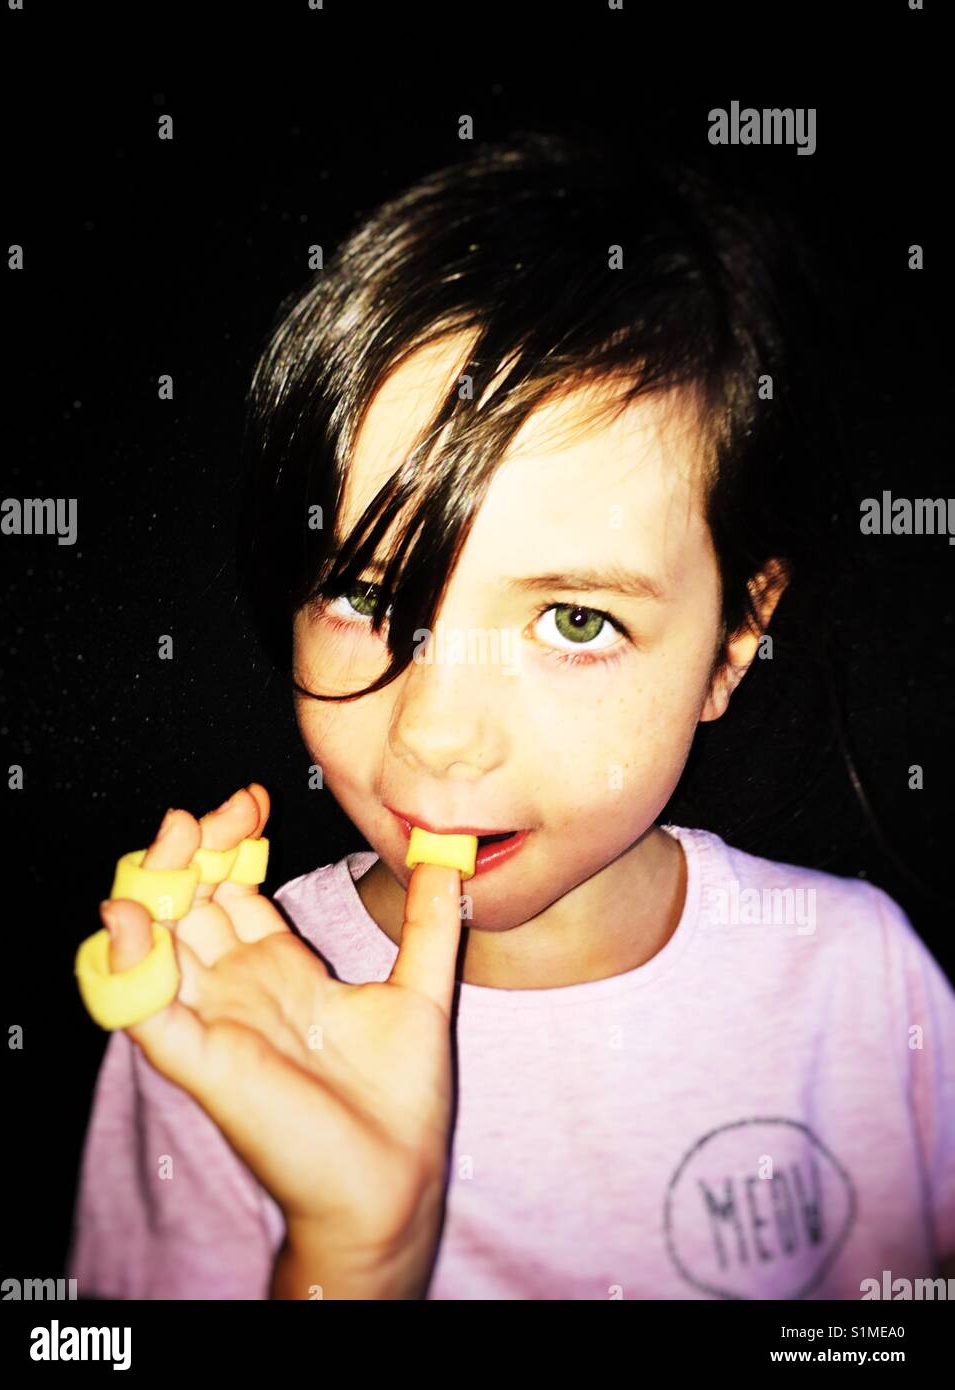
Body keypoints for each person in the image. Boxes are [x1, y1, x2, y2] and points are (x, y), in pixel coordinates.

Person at [66, 132, 955, 1300]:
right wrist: (351, 1251)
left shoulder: (858, 980)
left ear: (732, 643)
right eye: (367, 594)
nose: (435, 734)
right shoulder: (219, 1015)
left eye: (576, 622)